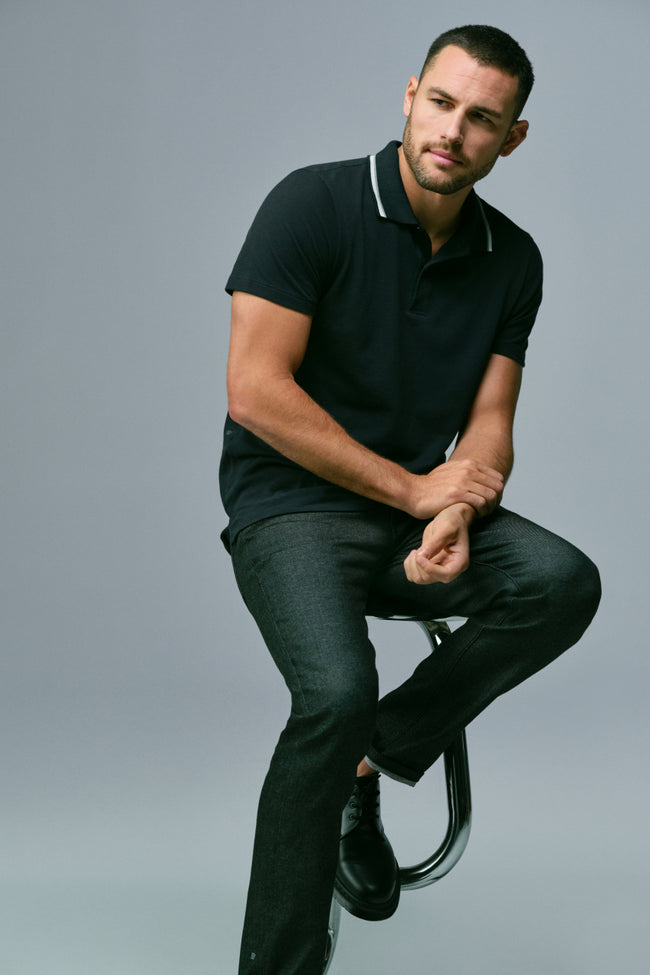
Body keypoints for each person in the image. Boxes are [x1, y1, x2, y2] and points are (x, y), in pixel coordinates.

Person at [220, 25, 601, 975]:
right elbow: (255, 391)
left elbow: (489, 422)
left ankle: (373, 759)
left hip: (412, 513)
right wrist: (414, 488)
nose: (453, 132)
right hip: (287, 507)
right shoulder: (311, 203)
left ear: (512, 139)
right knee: (335, 691)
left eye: (483, 119)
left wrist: (454, 512)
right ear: (408, 96)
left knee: (563, 581)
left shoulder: (514, 259)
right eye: (441, 103)